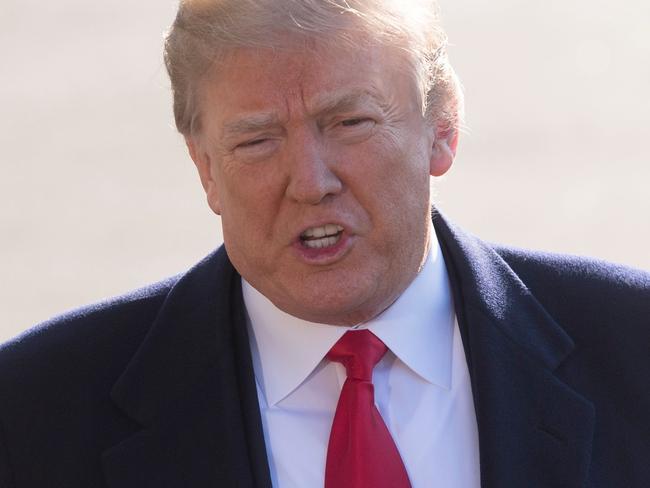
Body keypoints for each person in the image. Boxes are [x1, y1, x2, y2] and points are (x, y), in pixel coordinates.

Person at [0, 0, 648, 486]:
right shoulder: (34, 412)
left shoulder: (633, 349)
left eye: (350, 122)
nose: (310, 183)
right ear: (204, 169)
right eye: (257, 141)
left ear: (442, 128)